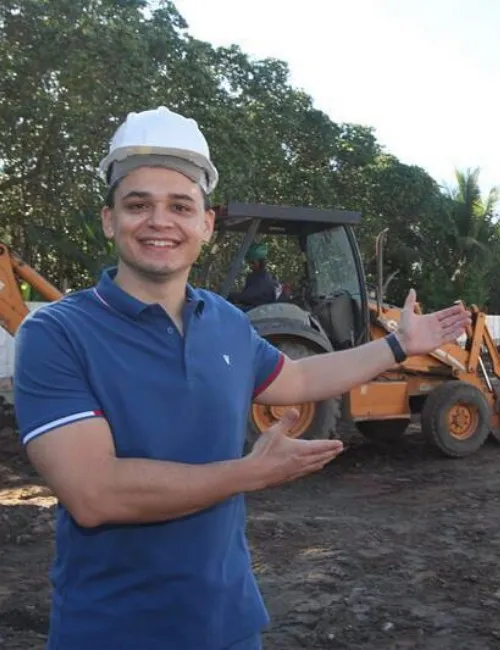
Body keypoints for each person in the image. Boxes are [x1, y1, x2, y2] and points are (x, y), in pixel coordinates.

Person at [13, 106, 470, 650]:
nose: (160, 220)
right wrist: (249, 473)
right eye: (139, 205)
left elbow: (297, 379)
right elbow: (94, 493)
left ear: (205, 225)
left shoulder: (224, 320)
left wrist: (396, 345)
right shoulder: (57, 334)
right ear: (110, 219)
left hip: (228, 622)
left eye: (180, 206)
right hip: (114, 629)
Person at [229, 242, 281, 309]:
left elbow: (246, 297)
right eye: (249, 262)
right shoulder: (253, 276)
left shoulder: (263, 279)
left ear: (261, 262)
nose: (250, 265)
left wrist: (228, 295)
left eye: (252, 263)